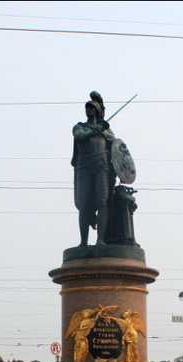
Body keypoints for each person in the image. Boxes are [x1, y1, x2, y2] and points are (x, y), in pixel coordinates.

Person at [71, 91, 115, 246]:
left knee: (103, 202)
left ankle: (100, 240)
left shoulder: (106, 131)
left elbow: (116, 147)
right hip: (84, 168)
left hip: (101, 167)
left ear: (97, 111)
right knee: (84, 205)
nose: (88, 110)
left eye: (91, 108)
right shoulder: (79, 127)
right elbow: (80, 137)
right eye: (87, 108)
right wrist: (98, 128)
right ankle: (83, 242)